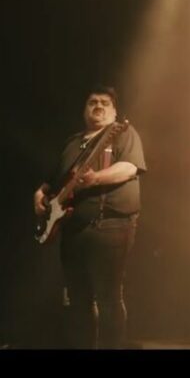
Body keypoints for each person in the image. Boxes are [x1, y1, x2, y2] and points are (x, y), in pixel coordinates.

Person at [33, 85, 146, 349]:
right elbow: (53, 180)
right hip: (73, 228)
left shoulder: (123, 133)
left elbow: (129, 168)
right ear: (84, 110)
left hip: (110, 224)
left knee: (108, 296)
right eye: (93, 102)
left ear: (115, 111)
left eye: (105, 103)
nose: (98, 106)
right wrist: (39, 194)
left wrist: (96, 179)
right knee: (77, 297)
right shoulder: (72, 143)